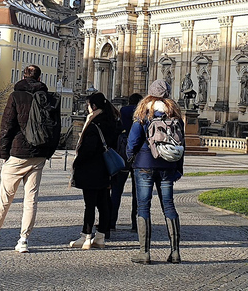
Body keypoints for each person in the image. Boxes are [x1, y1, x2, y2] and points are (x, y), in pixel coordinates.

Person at [0, 65, 60, 253]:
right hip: (39, 155)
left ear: (23, 76)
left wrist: (4, 154)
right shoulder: (48, 98)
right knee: (31, 199)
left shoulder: (16, 96)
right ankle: (23, 240)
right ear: (40, 78)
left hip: (18, 153)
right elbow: (56, 129)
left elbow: (6, 127)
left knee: (4, 199)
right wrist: (47, 152)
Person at [127, 79, 184, 264]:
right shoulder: (174, 115)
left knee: (143, 206)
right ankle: (175, 252)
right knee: (169, 206)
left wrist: (130, 157)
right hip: (168, 165)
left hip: (145, 164)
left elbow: (133, 140)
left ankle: (145, 253)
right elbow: (182, 145)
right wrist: (178, 168)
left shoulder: (144, 113)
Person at [69, 92, 119, 249]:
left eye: (88, 105)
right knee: (103, 203)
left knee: (89, 204)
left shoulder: (94, 123)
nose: (87, 108)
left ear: (94, 106)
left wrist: (78, 162)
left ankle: (85, 236)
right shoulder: (111, 121)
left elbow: (88, 149)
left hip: (91, 169)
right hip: (105, 168)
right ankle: (101, 236)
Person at [111, 92, 142, 232]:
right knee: (138, 192)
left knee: (117, 190)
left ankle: (111, 222)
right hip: (139, 156)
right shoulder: (143, 113)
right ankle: (136, 224)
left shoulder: (123, 111)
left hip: (123, 154)